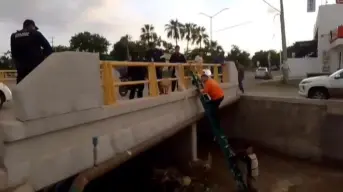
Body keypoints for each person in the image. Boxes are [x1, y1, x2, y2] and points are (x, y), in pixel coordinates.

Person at [10, 19, 53, 84]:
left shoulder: (13, 36)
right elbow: (49, 49)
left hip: (21, 73)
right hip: (35, 72)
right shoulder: (35, 33)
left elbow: (13, 54)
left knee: (21, 92)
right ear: (32, 26)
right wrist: (42, 57)